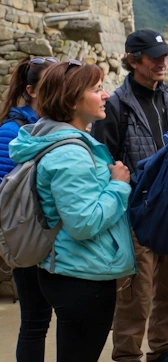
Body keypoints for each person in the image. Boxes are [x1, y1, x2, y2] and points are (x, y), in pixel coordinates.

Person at [9, 60, 136, 362]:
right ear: (71, 99)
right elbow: (84, 223)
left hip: (68, 270)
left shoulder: (54, 139)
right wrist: (119, 185)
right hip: (82, 275)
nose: (106, 95)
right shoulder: (71, 154)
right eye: (96, 89)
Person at [91, 29, 168, 362]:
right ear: (133, 60)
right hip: (138, 214)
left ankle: (163, 350)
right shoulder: (118, 106)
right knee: (136, 295)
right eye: (154, 57)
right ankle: (127, 356)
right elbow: (107, 164)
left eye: (165, 56)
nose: (162, 62)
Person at [0, 57, 56, 362]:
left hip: (56, 238)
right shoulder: (12, 131)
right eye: (53, 82)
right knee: (35, 322)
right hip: (29, 238)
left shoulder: (59, 125)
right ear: (32, 90)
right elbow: (5, 195)